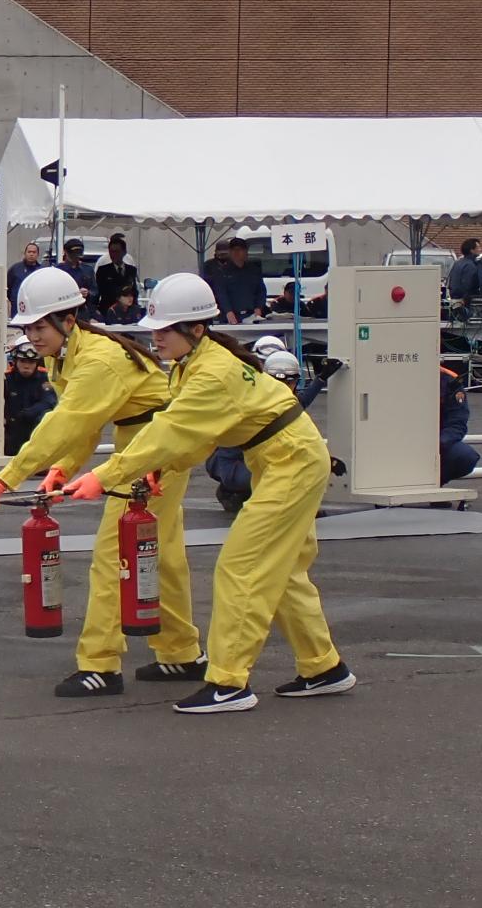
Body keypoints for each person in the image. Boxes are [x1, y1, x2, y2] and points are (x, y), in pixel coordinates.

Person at [61, 272, 355, 714]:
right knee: (285, 571)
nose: (155, 338)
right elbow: (191, 437)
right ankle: (323, 667)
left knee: (242, 567)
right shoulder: (194, 364)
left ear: (195, 329)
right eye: (154, 330)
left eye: (163, 330)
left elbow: (168, 431)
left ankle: (230, 683)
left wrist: (105, 476)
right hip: (288, 457)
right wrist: (161, 468)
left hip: (290, 462)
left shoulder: (209, 374)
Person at [0, 265, 203, 697]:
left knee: (115, 555)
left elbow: (66, 422)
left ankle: (101, 664)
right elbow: (86, 424)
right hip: (148, 441)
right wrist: (63, 469)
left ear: (68, 320)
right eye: (28, 327)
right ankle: (181, 652)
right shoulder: (69, 355)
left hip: (155, 448)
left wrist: (5, 479)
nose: (33, 336)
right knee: (161, 554)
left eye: (40, 325)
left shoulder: (98, 361)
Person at [205, 349, 340, 513]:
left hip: (242, 463)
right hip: (230, 466)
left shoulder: (272, 398)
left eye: (289, 382)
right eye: (278, 381)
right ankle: (240, 493)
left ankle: (242, 493)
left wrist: (320, 379)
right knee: (290, 470)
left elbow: (298, 405)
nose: (284, 386)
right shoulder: (254, 405)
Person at [2, 337, 55, 454]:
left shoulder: (45, 377)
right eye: (23, 361)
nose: (27, 366)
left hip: (34, 430)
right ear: (15, 361)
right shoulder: (6, 379)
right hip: (11, 431)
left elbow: (49, 401)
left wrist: (28, 413)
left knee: (47, 415)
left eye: (31, 362)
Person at [215, 237, 271, 324]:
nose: (236, 252)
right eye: (233, 250)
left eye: (240, 249)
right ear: (229, 252)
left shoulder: (254, 270)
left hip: (251, 315)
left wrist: (258, 308)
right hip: (231, 317)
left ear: (246, 251)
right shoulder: (222, 272)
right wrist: (228, 311)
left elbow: (261, 291)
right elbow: (221, 294)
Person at [440, 364, 480, 485]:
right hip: (395, 442)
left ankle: (435, 483)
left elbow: (456, 423)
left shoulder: (449, 380)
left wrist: (438, 443)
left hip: (435, 442)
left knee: (465, 457)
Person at [93, 233, 138, 313]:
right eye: (111, 252)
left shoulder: (131, 270)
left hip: (127, 312)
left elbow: (134, 291)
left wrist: (135, 308)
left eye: (117, 252)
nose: (113, 255)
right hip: (108, 310)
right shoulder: (103, 270)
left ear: (124, 252)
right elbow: (97, 292)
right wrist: (94, 311)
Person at [55, 238, 94, 309]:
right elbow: (55, 294)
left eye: (77, 255)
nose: (75, 257)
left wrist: (88, 293)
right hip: (65, 309)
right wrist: (75, 294)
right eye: (72, 254)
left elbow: (95, 292)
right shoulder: (58, 271)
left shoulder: (87, 270)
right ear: (65, 252)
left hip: (84, 310)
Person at [448, 238, 482, 312]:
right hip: (465, 300)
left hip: (455, 298)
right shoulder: (470, 265)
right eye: (478, 247)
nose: (480, 249)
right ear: (472, 250)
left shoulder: (458, 263)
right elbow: (468, 284)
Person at [7, 241, 42, 314]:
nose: (31, 254)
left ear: (38, 254)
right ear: (25, 253)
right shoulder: (15, 269)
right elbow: (7, 288)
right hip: (18, 308)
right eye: (29, 252)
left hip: (35, 309)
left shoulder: (41, 271)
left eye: (34, 252)